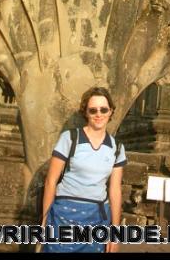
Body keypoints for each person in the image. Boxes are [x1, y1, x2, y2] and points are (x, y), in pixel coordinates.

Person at [41, 87, 127, 253]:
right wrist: (44, 222)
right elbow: (50, 181)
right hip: (63, 217)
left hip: (96, 219)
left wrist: (115, 232)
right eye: (93, 110)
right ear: (85, 113)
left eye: (103, 109)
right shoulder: (70, 138)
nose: (98, 114)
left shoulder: (117, 148)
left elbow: (115, 190)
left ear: (111, 111)